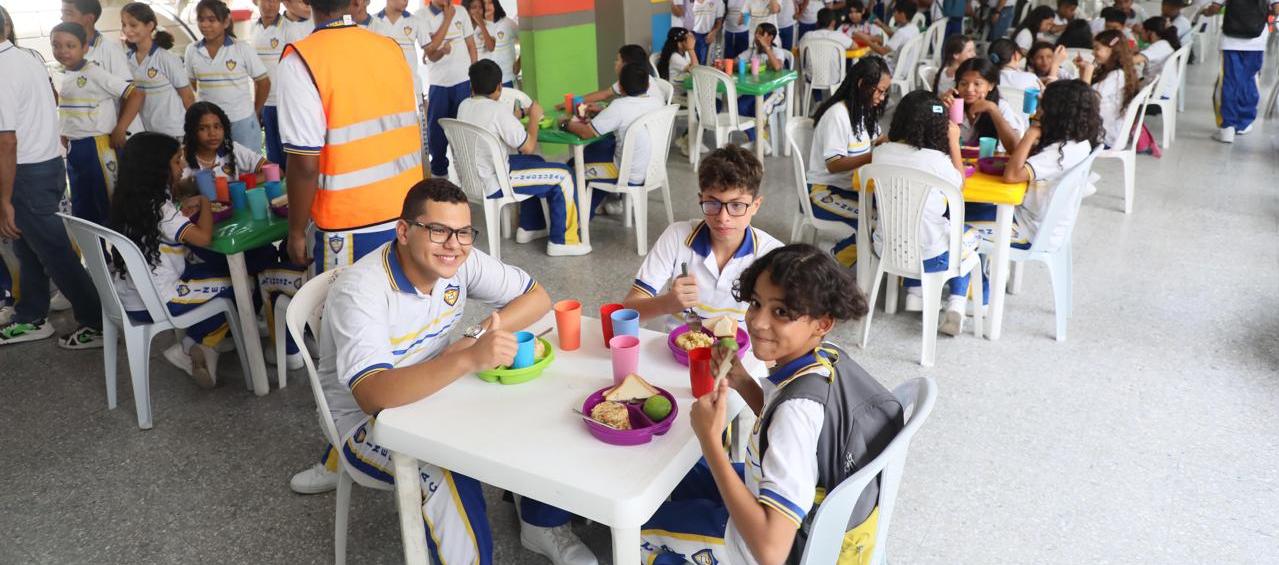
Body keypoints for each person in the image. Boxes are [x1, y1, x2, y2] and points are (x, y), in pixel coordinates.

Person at [307, 178, 599, 565]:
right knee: (448, 476)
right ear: (405, 231)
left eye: (463, 232)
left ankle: (540, 521)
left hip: (440, 386)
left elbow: (537, 298)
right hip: (369, 422)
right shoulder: (360, 291)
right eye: (439, 230)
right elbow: (373, 395)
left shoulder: (460, 259)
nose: (454, 245)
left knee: (546, 403)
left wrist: (475, 336)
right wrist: (466, 358)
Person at [639, 243, 903, 565]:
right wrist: (742, 381)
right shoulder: (825, 357)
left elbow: (771, 551)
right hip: (795, 502)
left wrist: (710, 440)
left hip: (760, 548)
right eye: (756, 303)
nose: (758, 322)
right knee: (683, 476)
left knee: (643, 531)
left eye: (781, 312)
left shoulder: (795, 416)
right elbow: (785, 422)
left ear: (822, 323)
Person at [275, 0, 423, 274]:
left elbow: (305, 164)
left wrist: (295, 232)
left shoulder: (301, 61)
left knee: (348, 313)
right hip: (408, 212)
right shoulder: (390, 48)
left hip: (350, 226)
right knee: (401, 307)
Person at [110, 132, 254, 386]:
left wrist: (181, 208)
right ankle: (193, 345)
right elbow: (203, 238)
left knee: (208, 270)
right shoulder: (162, 211)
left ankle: (198, 344)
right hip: (159, 300)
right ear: (156, 169)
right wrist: (205, 203)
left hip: (128, 296)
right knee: (244, 285)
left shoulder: (127, 201)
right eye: (177, 161)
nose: (183, 166)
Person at [0, 7, 104, 349]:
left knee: (55, 251)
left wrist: (4, 200)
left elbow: (7, 140)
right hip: (45, 163)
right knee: (27, 246)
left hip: (26, 172)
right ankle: (32, 316)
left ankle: (98, 321)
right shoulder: (26, 56)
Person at [622, 145, 783, 329]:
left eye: (737, 205)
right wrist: (667, 303)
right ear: (700, 199)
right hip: (678, 352)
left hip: (740, 355)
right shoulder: (676, 237)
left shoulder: (772, 255)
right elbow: (628, 309)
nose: (723, 218)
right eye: (712, 203)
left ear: (755, 205)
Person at [459, 60, 591, 256]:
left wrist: (517, 115)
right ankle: (563, 241)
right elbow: (527, 146)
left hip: (474, 176)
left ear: (471, 86)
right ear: (499, 87)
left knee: (537, 163)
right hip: (496, 180)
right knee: (564, 175)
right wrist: (535, 118)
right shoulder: (497, 112)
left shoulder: (465, 106)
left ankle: (530, 226)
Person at [871, 90, 974, 334]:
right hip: (931, 256)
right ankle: (957, 303)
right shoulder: (939, 161)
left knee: (918, 228)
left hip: (885, 248)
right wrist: (953, 143)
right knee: (967, 238)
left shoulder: (880, 153)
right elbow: (959, 185)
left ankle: (916, 291)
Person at [968, 79, 1102, 258]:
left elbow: (1012, 175)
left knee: (952, 219)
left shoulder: (1058, 153)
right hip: (1036, 222)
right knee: (966, 208)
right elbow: (1019, 155)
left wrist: (1031, 133)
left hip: (1029, 231)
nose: (1039, 110)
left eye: (1043, 105)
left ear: (1057, 113)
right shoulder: (1077, 141)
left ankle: (978, 283)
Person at [51, 22, 144, 226]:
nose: (63, 51)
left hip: (98, 148)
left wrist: (121, 128)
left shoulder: (94, 72)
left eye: (70, 45)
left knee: (109, 205)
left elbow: (136, 94)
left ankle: (121, 256)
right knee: (84, 209)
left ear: (85, 47)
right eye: (56, 45)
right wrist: (66, 131)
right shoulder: (66, 74)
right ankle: (99, 256)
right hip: (76, 149)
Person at [804, 57, 890, 268]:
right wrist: (874, 156)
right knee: (876, 224)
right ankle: (830, 261)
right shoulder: (838, 115)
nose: (882, 97)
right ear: (862, 84)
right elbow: (834, 164)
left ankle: (857, 258)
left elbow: (879, 139)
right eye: (879, 90)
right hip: (823, 191)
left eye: (885, 91)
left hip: (850, 187)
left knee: (891, 217)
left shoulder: (863, 110)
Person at [564, 62, 665, 217]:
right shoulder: (657, 102)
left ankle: (577, 221)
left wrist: (565, 124)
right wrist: (605, 111)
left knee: (574, 167)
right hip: (652, 169)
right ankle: (590, 208)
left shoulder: (619, 106)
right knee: (597, 153)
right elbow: (629, 113)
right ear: (646, 85)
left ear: (621, 87)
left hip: (627, 174)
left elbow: (586, 133)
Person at [185, 0, 270, 155]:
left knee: (249, 170)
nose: (204, 24)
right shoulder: (192, 51)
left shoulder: (242, 48)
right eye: (201, 19)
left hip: (242, 121)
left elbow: (263, 83)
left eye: (211, 20)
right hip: (210, 124)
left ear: (225, 22)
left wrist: (255, 111)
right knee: (217, 171)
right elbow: (193, 82)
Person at [1203, 0, 1278, 143]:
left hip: (1230, 41)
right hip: (1256, 41)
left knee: (1229, 83)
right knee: (1249, 81)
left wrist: (1206, 12)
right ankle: (1244, 123)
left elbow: (1215, 8)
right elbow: (1277, 9)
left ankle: (1227, 128)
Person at [423, 0, 479, 178]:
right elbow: (430, 52)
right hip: (439, 84)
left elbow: (471, 46)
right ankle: (440, 175)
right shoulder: (422, 17)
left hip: (463, 81)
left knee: (463, 130)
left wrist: (475, 79)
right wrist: (447, 19)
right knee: (436, 134)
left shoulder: (461, 11)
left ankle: (468, 175)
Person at [122, 2, 195, 138]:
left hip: (174, 131)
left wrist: (194, 130)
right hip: (147, 133)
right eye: (124, 25)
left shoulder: (166, 58)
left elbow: (188, 96)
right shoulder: (127, 60)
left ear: (150, 26)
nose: (127, 30)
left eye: (133, 25)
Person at [941, 57, 1028, 150]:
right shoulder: (952, 104)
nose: (969, 89)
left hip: (988, 161)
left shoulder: (1000, 106)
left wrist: (993, 110)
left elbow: (1015, 147)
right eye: (963, 83)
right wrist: (939, 108)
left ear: (991, 85)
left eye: (977, 84)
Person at [1074, 29, 1138, 147]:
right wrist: (1083, 71)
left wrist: (1088, 72)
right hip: (1106, 127)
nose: (1093, 53)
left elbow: (1085, 100)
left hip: (1105, 136)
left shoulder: (1117, 75)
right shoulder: (1115, 72)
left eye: (1097, 48)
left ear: (1112, 50)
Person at [181, 101, 268, 181]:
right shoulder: (181, 159)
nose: (212, 133)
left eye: (217, 126)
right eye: (203, 128)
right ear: (192, 131)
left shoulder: (232, 149)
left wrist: (238, 185)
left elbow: (275, 170)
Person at [252, 0, 293, 169]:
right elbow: (256, 74)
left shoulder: (289, 28)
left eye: (276, 0)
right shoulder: (253, 29)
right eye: (267, 0)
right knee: (272, 156)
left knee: (289, 153)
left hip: (286, 102)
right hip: (265, 104)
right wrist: (257, 106)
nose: (272, 5)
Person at [563, 45, 661, 110]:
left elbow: (605, 95)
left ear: (626, 64)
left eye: (618, 60)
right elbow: (605, 94)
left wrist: (572, 103)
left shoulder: (632, 82)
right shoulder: (640, 77)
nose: (615, 63)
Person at [370, 0, 429, 100]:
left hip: (411, 88)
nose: (406, 1)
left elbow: (429, 49)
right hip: (382, 88)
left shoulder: (416, 21)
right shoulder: (373, 21)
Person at [61, 0, 131, 83]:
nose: (62, 18)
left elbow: (129, 92)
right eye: (62, 13)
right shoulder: (63, 49)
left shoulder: (111, 50)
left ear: (89, 19)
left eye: (68, 14)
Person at [470, 0, 520, 87]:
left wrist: (519, 62)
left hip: (506, 78)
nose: (487, 6)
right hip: (485, 82)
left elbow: (526, 42)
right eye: (484, 4)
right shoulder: (476, 26)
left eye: (490, 2)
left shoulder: (507, 23)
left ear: (496, 3)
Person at [1133, 16, 1182, 87]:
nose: (1140, 33)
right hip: (1163, 88)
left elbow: (1133, 60)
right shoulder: (1164, 44)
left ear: (1150, 32)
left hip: (1157, 92)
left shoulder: (1159, 46)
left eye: (1142, 30)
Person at [686, 0, 726, 65]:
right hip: (693, 36)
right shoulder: (690, 2)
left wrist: (713, 32)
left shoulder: (718, 1)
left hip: (708, 36)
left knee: (706, 63)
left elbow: (719, 21)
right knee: (693, 63)